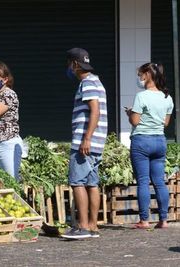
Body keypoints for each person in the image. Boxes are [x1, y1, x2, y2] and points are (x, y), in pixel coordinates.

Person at [61, 48, 108, 239]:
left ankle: (82, 226)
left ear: (74, 64)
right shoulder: (97, 81)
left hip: (86, 141)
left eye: (69, 64)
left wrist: (86, 138)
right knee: (92, 183)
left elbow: (94, 111)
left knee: (76, 182)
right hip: (97, 142)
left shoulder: (87, 84)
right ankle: (93, 226)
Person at [125, 63, 174, 229]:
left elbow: (135, 121)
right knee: (159, 182)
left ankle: (144, 220)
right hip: (160, 140)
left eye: (140, 74)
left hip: (141, 141)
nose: (139, 78)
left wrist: (130, 113)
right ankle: (164, 220)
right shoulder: (167, 97)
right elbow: (165, 123)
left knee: (143, 182)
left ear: (147, 74)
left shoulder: (141, 96)